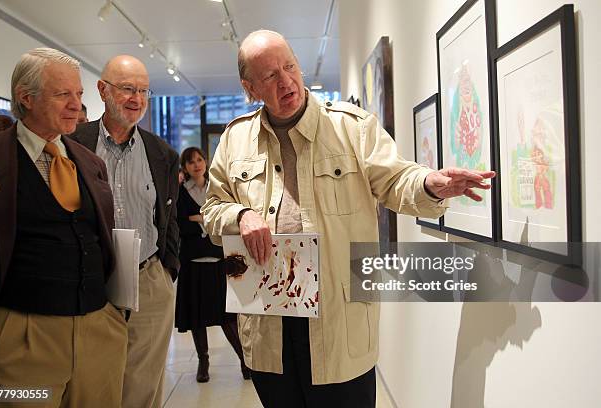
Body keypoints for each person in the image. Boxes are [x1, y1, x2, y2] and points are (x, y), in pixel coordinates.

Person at [202, 30, 495, 407]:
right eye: (270, 75)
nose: (286, 80)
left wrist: (431, 183)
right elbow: (212, 210)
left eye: (289, 66)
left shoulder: (351, 127)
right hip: (268, 320)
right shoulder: (235, 139)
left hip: (337, 322)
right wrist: (240, 215)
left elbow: (397, 179)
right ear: (250, 87)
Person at [0, 47, 127, 406]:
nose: (76, 105)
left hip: (99, 333)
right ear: (26, 98)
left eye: (79, 94)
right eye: (63, 93)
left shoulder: (90, 162)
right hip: (21, 342)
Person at [70, 55, 179, 408]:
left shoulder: (161, 153)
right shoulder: (72, 142)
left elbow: (168, 216)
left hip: (148, 277)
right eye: (127, 89)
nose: (137, 99)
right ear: (102, 90)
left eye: (144, 91)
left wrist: (168, 268)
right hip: (90, 280)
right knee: (92, 381)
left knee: (142, 384)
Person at [175, 147, 250, 382]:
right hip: (193, 262)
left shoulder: (216, 188)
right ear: (185, 167)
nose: (196, 164)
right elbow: (180, 225)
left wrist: (197, 219)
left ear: (206, 162)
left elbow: (224, 223)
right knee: (197, 318)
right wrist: (205, 222)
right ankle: (203, 362)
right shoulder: (180, 192)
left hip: (219, 259)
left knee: (228, 316)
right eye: (190, 162)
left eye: (199, 160)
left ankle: (245, 361)